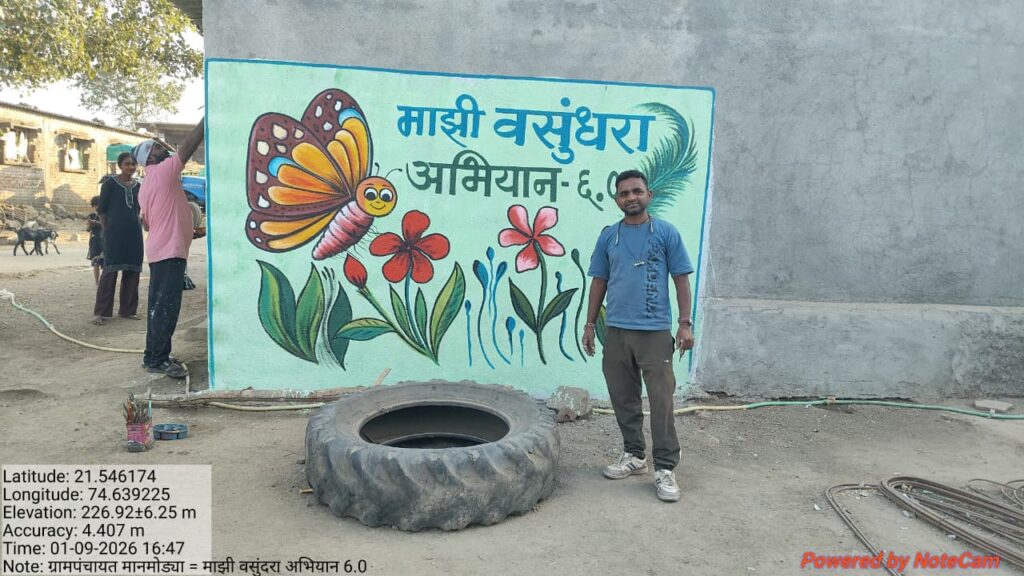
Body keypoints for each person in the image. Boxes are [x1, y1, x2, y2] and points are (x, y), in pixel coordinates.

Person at [581, 169, 695, 503]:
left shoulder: (666, 233)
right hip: (616, 331)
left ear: (649, 195)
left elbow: (681, 278)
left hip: (654, 332)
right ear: (617, 199)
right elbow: (599, 281)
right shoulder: (609, 237)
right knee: (623, 397)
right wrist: (590, 325)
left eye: (636, 191)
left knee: (661, 401)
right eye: (624, 193)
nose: (630, 197)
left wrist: (685, 323)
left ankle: (665, 467)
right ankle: (634, 455)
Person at [135, 119, 204, 379]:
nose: (162, 148)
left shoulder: (147, 184)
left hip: (161, 250)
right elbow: (189, 145)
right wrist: (206, 119)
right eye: (156, 147)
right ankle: (158, 360)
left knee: (159, 306)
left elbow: (148, 222)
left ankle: (154, 355)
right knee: (166, 307)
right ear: (150, 158)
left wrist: (185, 228)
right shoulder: (165, 170)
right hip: (169, 252)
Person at [92, 153, 144, 325]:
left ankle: (128, 310)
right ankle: (101, 312)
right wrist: (107, 230)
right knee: (110, 271)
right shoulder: (110, 184)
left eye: (133, 164)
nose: (131, 167)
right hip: (114, 234)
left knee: (133, 271)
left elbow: (139, 209)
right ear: (120, 165)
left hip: (134, 234)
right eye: (127, 164)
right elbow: (102, 210)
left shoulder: (138, 186)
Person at [86, 195, 104, 285]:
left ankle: (104, 282)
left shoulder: (105, 215)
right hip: (94, 242)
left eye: (97, 205)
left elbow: (106, 226)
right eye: (94, 205)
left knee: (105, 263)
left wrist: (97, 223)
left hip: (103, 241)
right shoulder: (92, 216)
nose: (96, 207)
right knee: (95, 263)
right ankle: (97, 282)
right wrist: (90, 224)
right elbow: (88, 229)